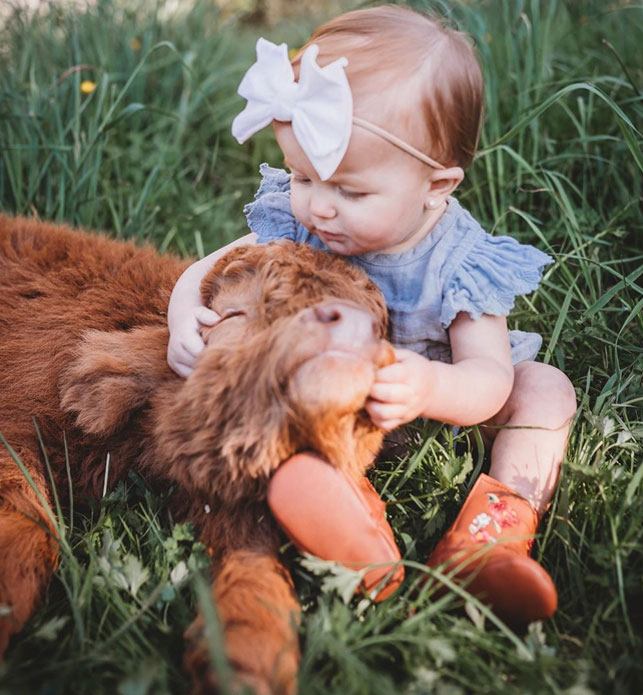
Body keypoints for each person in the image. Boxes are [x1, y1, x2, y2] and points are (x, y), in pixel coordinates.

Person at [167, 7, 577, 625]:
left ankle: (492, 535)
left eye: (349, 191)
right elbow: (208, 269)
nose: (318, 207)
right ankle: (348, 514)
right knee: (279, 393)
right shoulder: (299, 219)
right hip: (329, 405)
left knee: (545, 390)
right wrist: (180, 318)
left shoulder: (458, 262)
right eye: (304, 176)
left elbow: (490, 381)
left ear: (436, 186)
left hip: (430, 406)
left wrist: (430, 385)